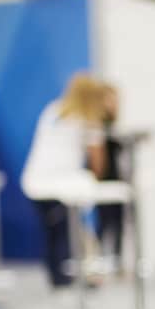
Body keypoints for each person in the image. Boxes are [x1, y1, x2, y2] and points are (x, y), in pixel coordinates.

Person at [21, 74, 107, 287]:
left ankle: (58, 277)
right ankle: (65, 280)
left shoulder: (52, 110)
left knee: (54, 233)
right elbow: (98, 163)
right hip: (62, 185)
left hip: (35, 181)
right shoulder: (89, 119)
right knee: (65, 233)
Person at [96, 84, 124, 269]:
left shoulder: (113, 124)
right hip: (103, 178)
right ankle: (100, 260)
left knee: (118, 222)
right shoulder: (97, 124)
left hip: (116, 176)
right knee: (104, 222)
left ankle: (116, 262)